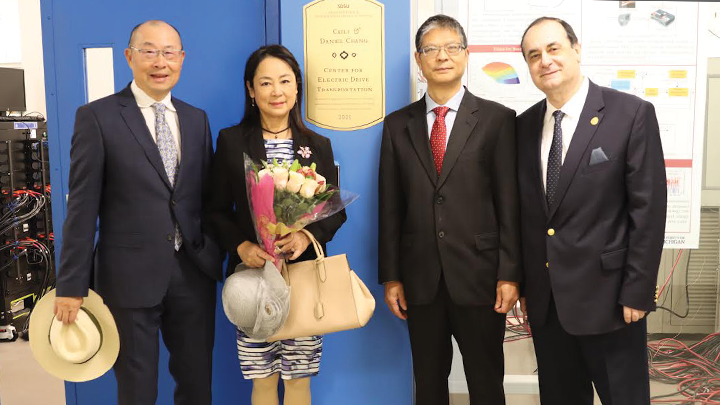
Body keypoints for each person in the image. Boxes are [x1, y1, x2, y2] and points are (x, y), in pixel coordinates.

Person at [53, 20, 222, 405]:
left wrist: (213, 252)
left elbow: (207, 198)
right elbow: (81, 208)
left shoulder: (196, 120)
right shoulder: (97, 117)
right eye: (148, 51)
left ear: (181, 59)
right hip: (128, 278)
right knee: (137, 390)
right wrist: (71, 286)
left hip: (193, 273)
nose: (159, 62)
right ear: (130, 57)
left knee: (198, 386)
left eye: (168, 53)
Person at [516, 17, 667, 405]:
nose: (545, 61)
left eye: (553, 49)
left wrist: (638, 289)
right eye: (534, 55)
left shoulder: (630, 114)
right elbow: (529, 215)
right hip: (549, 305)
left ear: (576, 49)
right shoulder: (523, 126)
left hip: (612, 301)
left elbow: (648, 211)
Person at [378, 14, 521, 405]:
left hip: (480, 274)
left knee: (486, 381)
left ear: (466, 55)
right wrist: (391, 276)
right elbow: (390, 207)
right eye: (431, 49)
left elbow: (510, 203)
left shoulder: (498, 120)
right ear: (419, 61)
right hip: (420, 278)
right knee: (427, 383)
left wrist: (510, 273)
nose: (442, 56)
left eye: (452, 47)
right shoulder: (396, 126)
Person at [205, 44, 346, 405]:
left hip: (301, 279)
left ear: (297, 86)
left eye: (285, 81)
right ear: (251, 90)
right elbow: (215, 210)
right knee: (263, 379)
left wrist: (305, 235)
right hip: (252, 281)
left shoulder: (318, 145)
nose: (276, 91)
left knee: (298, 380)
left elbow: (335, 210)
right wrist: (241, 246)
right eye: (265, 83)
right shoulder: (231, 141)